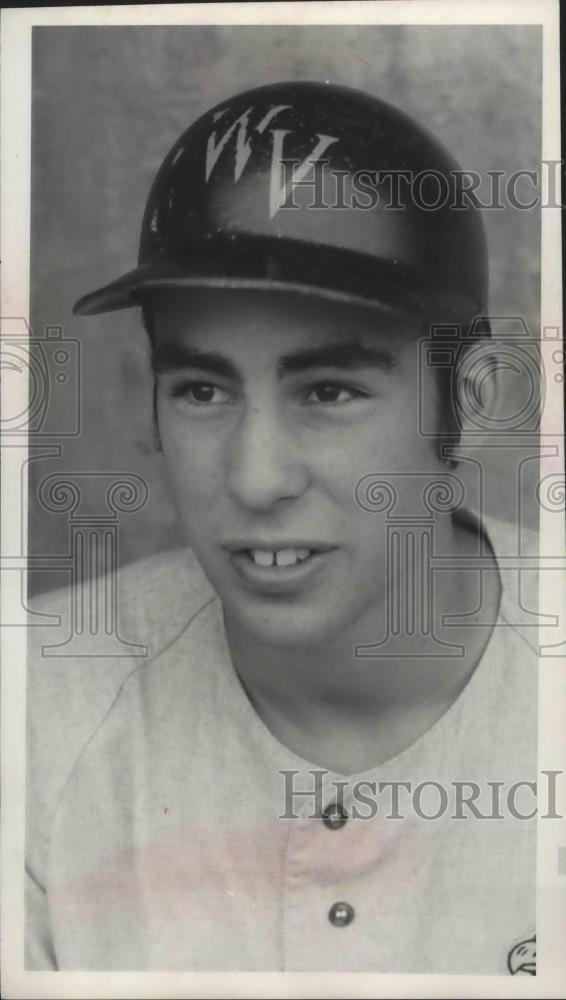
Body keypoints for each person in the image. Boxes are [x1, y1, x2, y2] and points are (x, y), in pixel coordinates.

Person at [26, 81, 538, 973]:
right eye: (202, 389)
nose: (256, 479)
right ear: (146, 402)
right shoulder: (31, 708)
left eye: (330, 391)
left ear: (476, 397)